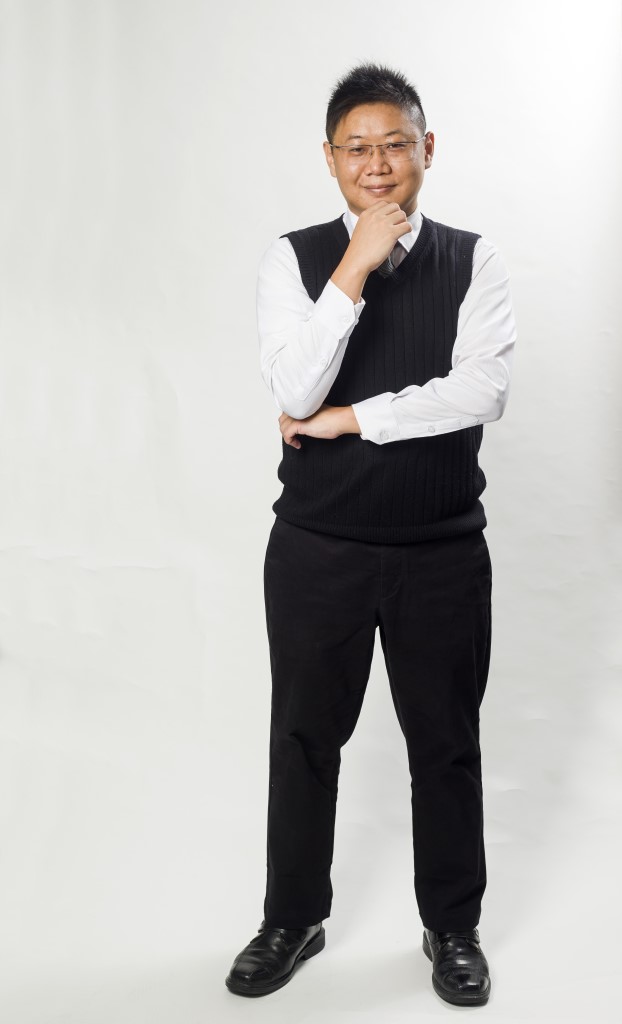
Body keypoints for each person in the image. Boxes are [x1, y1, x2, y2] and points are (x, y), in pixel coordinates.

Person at [225, 62, 516, 1006]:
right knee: (304, 738)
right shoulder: (294, 258)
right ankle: (292, 918)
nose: (378, 164)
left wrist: (352, 420)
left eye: (395, 144)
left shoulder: (474, 260)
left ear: (428, 149)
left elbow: (481, 392)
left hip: (442, 549)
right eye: (358, 148)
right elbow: (294, 387)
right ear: (330, 159)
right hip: (319, 549)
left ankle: (453, 926)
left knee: (446, 744)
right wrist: (354, 264)